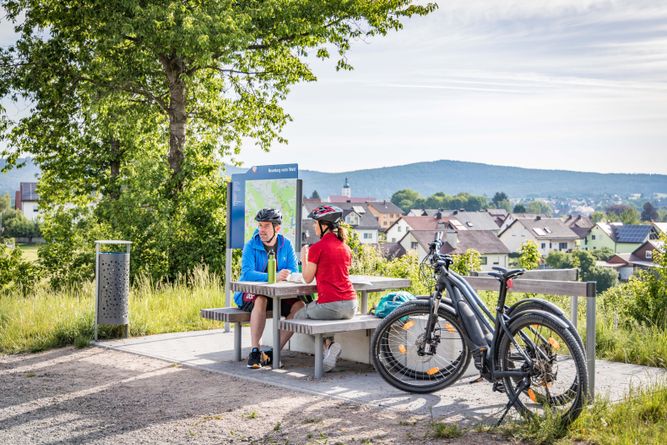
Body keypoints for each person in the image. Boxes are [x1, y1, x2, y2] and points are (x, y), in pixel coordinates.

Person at [234, 208, 305, 369]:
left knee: (300, 306)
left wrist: (287, 275)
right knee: (261, 298)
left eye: (266, 226)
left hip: (278, 294)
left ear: (277, 228)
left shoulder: (286, 244)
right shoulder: (251, 245)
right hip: (249, 294)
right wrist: (273, 277)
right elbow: (247, 273)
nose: (261, 230)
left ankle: (274, 353)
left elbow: (293, 270)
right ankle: (254, 351)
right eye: (260, 225)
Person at [297, 205, 358, 372]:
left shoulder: (317, 248)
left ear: (324, 225)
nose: (314, 226)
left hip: (331, 305)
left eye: (316, 223)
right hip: (351, 305)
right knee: (322, 314)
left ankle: (328, 349)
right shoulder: (345, 248)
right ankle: (330, 348)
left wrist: (303, 258)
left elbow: (307, 278)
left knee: (298, 317)